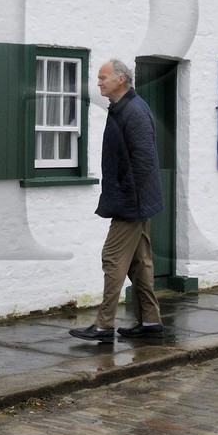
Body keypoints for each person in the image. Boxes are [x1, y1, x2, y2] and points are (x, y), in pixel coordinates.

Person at [71, 59, 165, 342]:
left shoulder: (134, 111)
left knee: (112, 258)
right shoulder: (123, 108)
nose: (99, 82)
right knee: (139, 262)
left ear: (120, 79)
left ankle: (103, 325)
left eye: (103, 78)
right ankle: (150, 321)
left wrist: (125, 192)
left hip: (132, 202)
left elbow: (144, 162)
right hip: (134, 199)